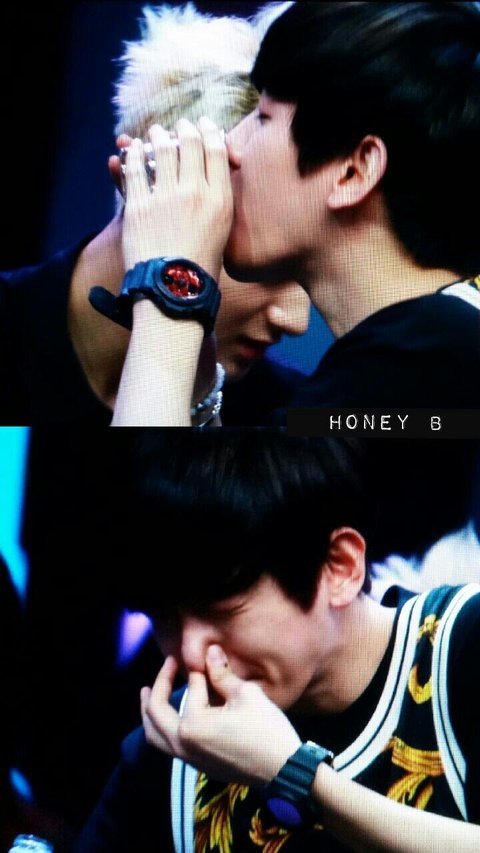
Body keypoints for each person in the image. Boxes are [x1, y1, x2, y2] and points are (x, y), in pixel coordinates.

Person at [75, 429, 480, 851]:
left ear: (338, 568)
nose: (191, 653)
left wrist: (299, 777)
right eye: (164, 619)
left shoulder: (460, 647)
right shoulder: (179, 741)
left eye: (223, 612)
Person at [110, 1, 480, 424]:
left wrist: (170, 289)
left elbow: (139, 469)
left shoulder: (426, 363)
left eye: (263, 117)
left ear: (353, 171)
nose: (232, 145)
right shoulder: (427, 352)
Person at [0, 2, 309, 427]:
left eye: (306, 270)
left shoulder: (293, 419)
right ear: (149, 183)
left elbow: (403, 423)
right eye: (269, 266)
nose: (295, 320)